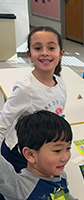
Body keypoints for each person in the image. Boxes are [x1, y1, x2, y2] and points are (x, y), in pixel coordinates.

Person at [0, 26, 66, 173]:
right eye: (37, 48)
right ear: (29, 54)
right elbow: (3, 122)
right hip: (20, 154)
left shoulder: (60, 83)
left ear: (61, 53)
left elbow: (58, 116)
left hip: (42, 152)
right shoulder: (26, 88)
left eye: (51, 47)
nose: (44, 53)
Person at [0, 110, 77, 200]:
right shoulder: (20, 189)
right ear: (30, 154)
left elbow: (65, 196)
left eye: (68, 148)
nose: (65, 157)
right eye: (57, 151)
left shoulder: (60, 175)